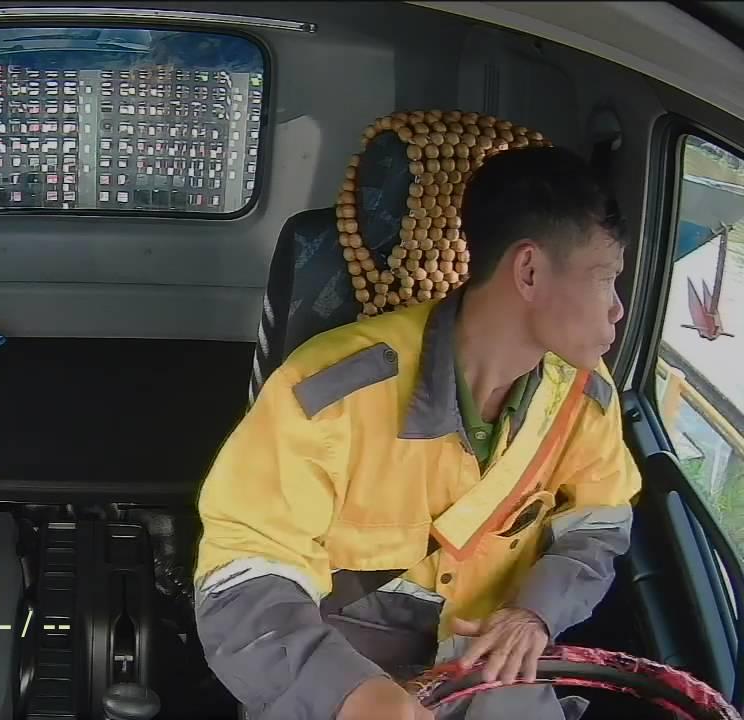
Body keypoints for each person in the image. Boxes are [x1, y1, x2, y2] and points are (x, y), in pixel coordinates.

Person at [193, 145, 641, 720]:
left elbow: (599, 526)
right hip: (335, 672)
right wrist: (349, 692)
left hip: (493, 668)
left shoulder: (584, 395)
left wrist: (536, 613)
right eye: (604, 279)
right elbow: (243, 579)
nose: (617, 310)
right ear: (529, 271)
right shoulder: (331, 392)